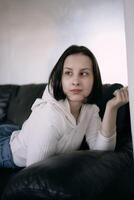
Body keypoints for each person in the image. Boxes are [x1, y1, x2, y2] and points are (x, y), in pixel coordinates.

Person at [0, 45, 129, 168]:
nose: (76, 81)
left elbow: (103, 151)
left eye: (84, 73)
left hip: (15, 130)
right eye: (68, 73)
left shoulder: (89, 109)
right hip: (6, 148)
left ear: (94, 79)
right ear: (60, 78)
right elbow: (34, 172)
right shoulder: (50, 116)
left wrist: (112, 108)